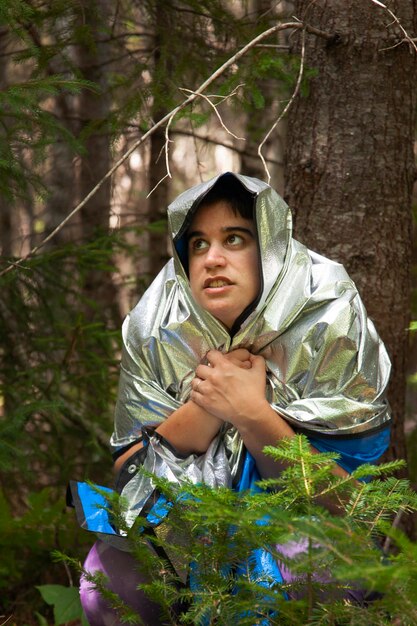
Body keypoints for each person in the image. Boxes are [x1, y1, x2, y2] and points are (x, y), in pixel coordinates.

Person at [74, 172, 391, 625]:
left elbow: (354, 501)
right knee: (105, 578)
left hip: (304, 530)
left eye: (235, 238)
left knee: (317, 565)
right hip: (188, 529)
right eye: (198, 243)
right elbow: (129, 471)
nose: (212, 258)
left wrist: (252, 415)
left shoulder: (328, 312)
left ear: (272, 249)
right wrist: (208, 402)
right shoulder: (157, 320)